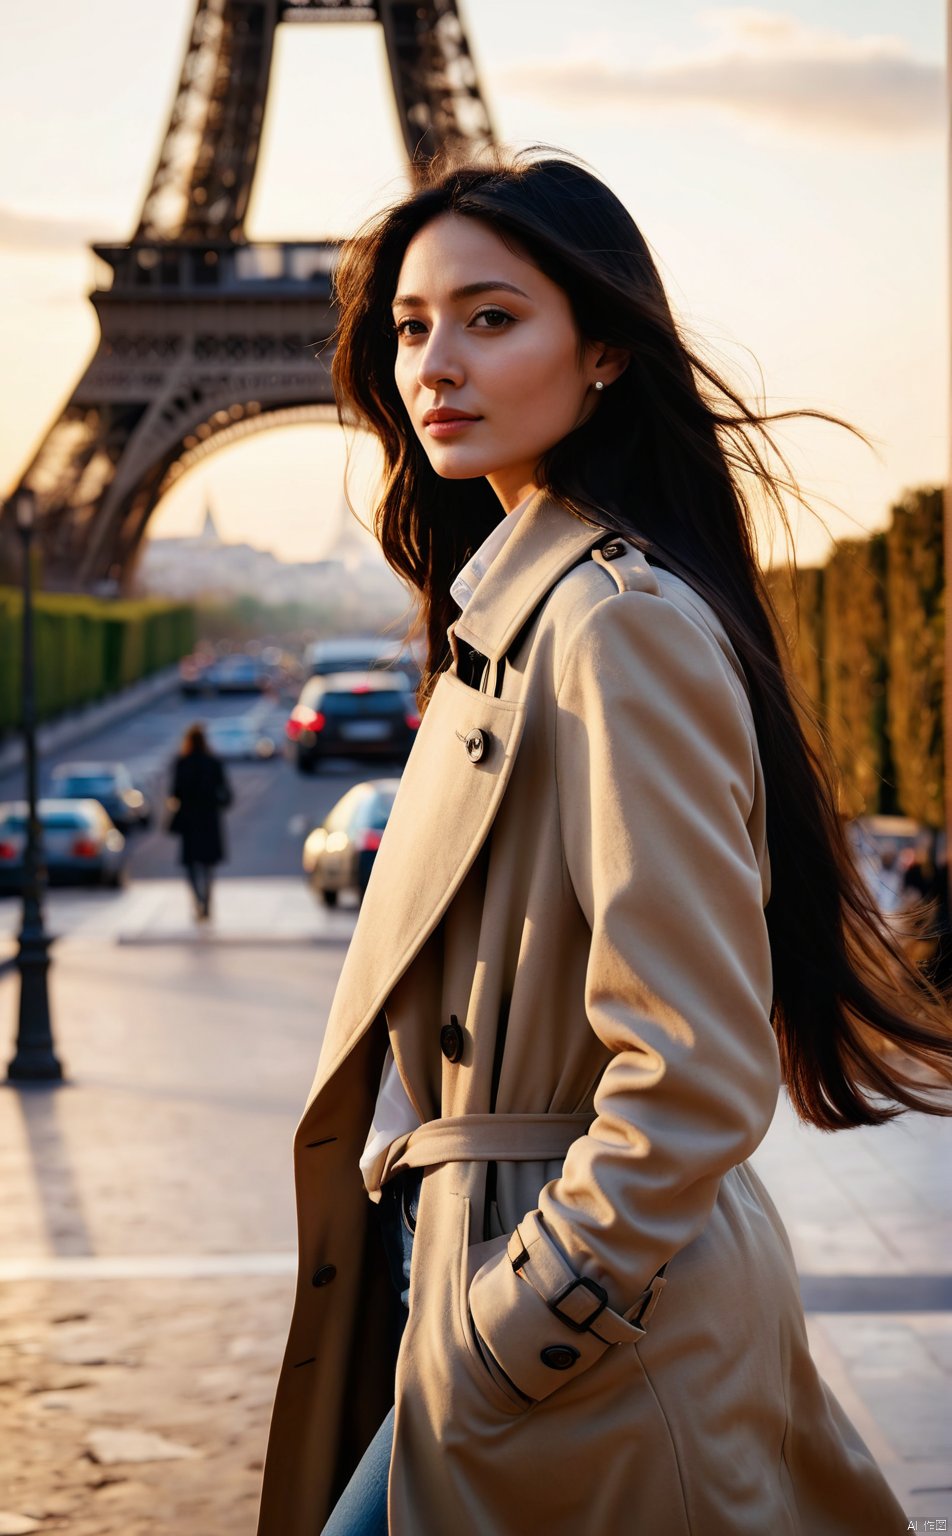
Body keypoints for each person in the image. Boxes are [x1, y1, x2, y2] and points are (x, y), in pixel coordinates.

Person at [256, 153, 952, 1536]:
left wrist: (519, 1327)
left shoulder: (609, 624)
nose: (436, 363)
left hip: (574, 1337)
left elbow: (691, 1066)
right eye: (411, 325)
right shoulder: (523, 611)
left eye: (491, 317)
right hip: (502, 1292)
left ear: (607, 356)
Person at [167, 722, 232, 921]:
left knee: (192, 866)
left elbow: (174, 792)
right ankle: (207, 901)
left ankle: (198, 901)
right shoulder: (213, 763)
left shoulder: (182, 763)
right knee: (208, 865)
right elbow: (227, 794)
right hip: (209, 819)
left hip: (189, 820)